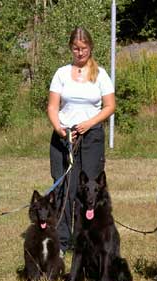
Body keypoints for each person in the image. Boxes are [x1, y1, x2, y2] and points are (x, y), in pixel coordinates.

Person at [47, 27, 115, 255]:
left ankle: (85, 240)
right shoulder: (61, 73)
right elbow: (52, 107)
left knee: (88, 189)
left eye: (84, 48)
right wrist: (59, 129)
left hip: (91, 137)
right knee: (64, 188)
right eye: (76, 48)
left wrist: (89, 123)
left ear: (90, 48)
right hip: (64, 138)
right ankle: (62, 242)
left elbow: (110, 107)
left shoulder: (101, 74)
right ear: (70, 48)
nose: (80, 52)